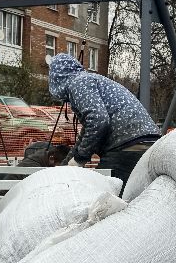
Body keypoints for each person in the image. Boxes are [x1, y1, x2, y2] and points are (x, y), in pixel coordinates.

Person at [46, 53, 160, 184]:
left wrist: (80, 158)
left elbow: (98, 121)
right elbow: (88, 129)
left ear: (56, 76)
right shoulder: (90, 80)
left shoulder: (78, 83)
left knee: (104, 190)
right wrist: (67, 164)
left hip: (127, 145)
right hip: (148, 142)